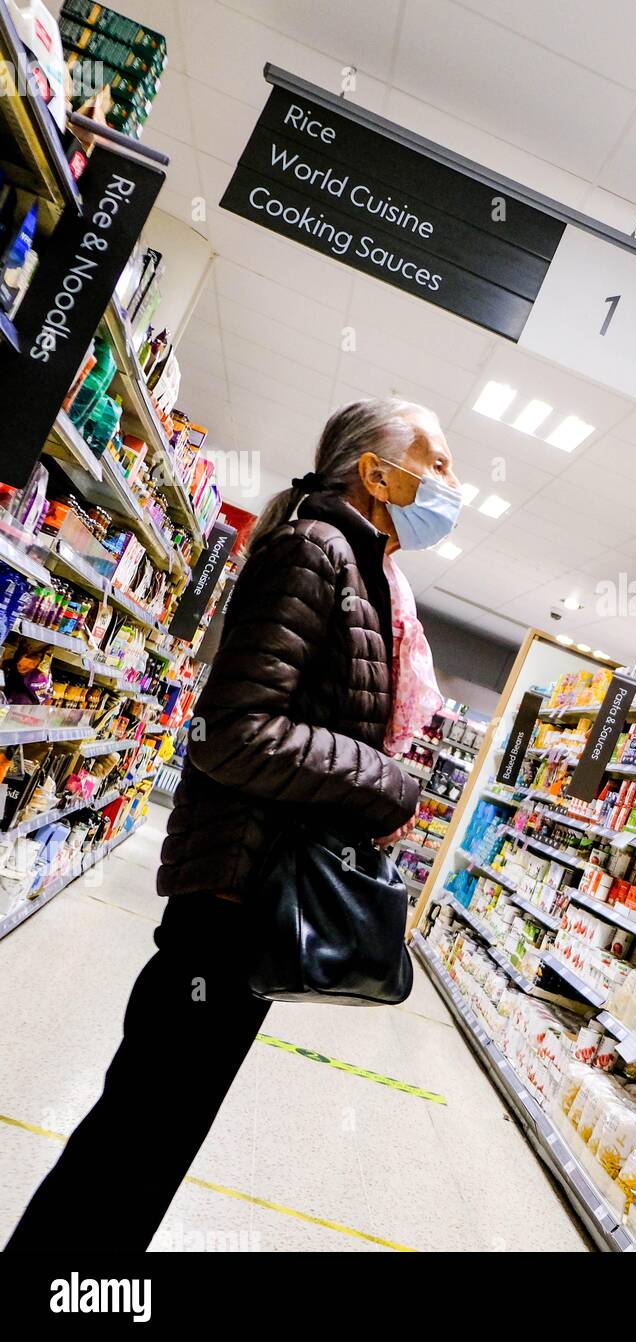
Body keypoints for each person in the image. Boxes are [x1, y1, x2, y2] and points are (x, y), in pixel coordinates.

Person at [6, 397, 459, 1251]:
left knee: (154, 1139)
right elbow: (231, 732)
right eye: (435, 461)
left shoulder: (362, 570)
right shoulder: (314, 551)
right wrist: (385, 785)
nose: (449, 483)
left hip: (254, 905)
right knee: (137, 1137)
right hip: (226, 906)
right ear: (374, 472)